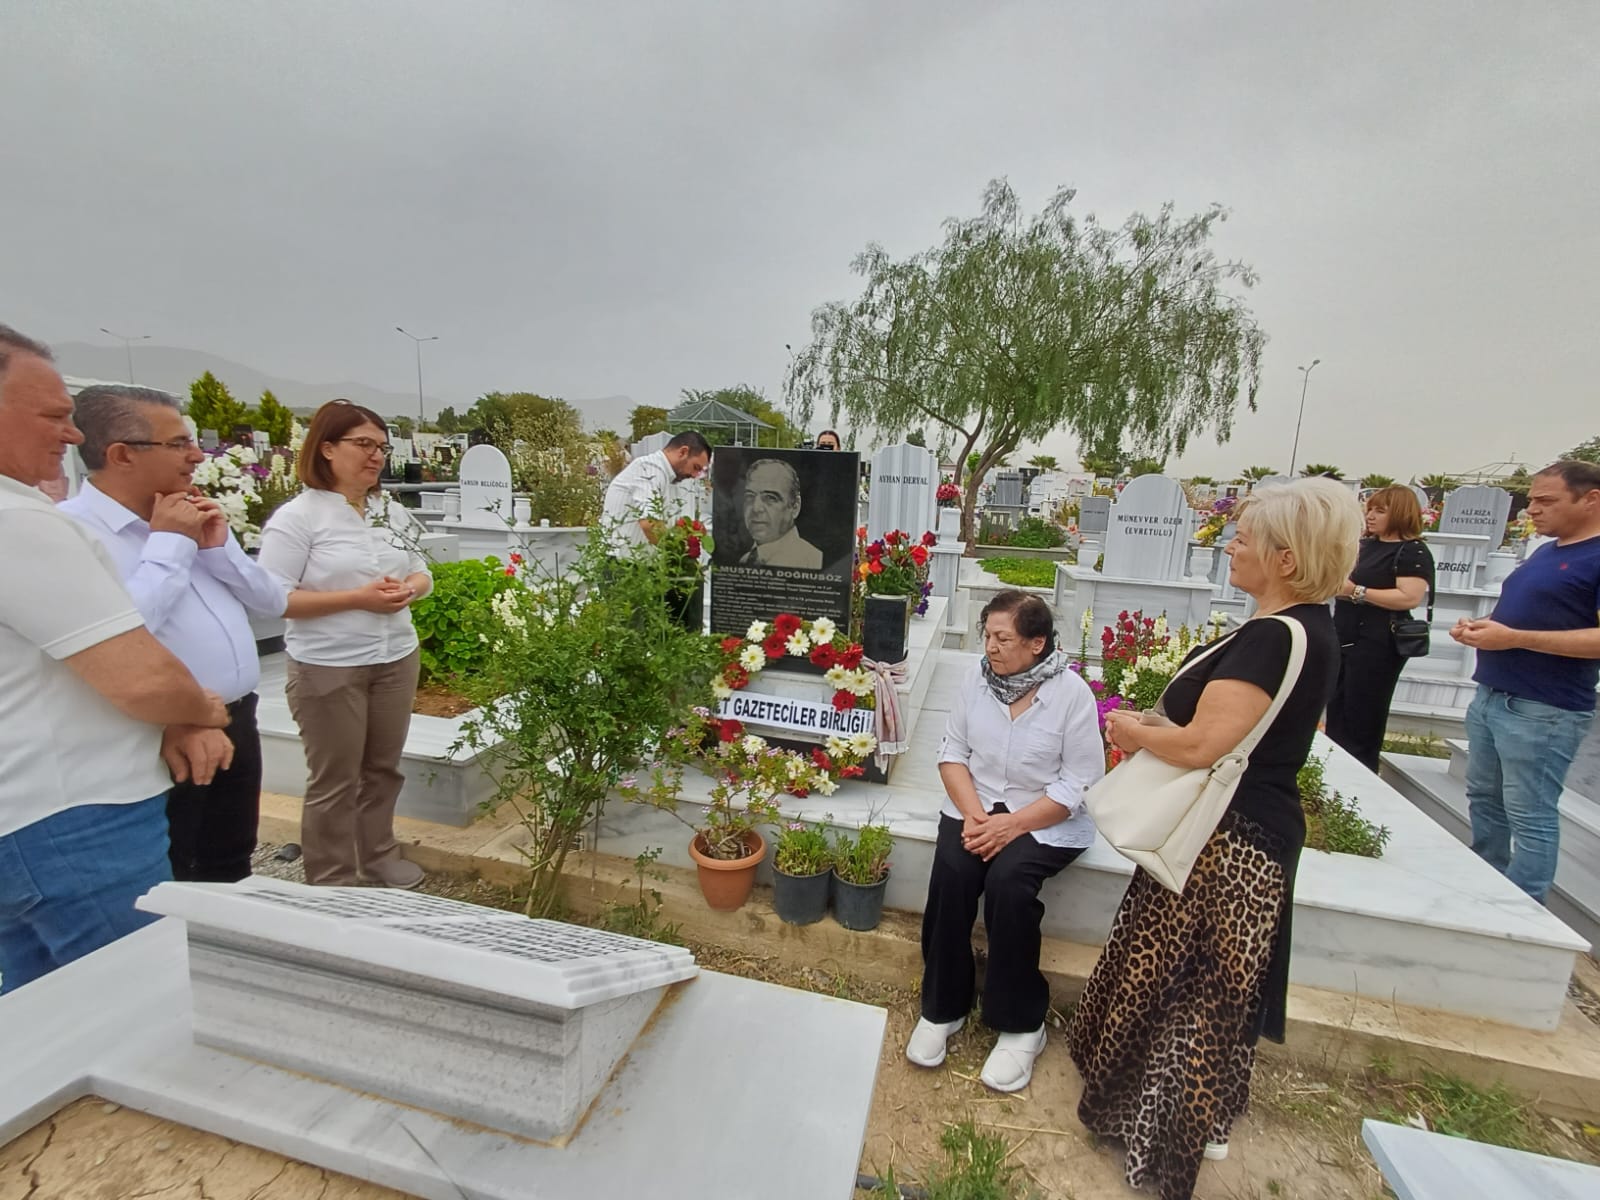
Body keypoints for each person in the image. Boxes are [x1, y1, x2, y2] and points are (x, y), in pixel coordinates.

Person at [1069, 478, 1359, 1200]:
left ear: (1286, 559)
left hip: (1225, 846)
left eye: (1244, 538)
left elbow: (1204, 746)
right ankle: (1179, 1115)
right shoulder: (1307, 626)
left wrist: (1132, 730)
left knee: (1188, 993)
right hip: (1244, 832)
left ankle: (1158, 1138)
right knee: (1203, 986)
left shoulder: (1272, 638)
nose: (1230, 546)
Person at [0, 325, 231, 992]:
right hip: (76, 820)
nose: (73, 435)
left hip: (30, 817)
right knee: (141, 1003)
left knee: (49, 1013)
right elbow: (140, 677)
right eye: (53, 416)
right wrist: (201, 710)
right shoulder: (19, 521)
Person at [61, 385, 288, 882]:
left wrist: (217, 548)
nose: (196, 456)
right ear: (122, 455)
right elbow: (116, 634)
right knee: (171, 869)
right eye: (179, 443)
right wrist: (169, 544)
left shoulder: (190, 516)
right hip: (162, 732)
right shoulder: (73, 533)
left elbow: (272, 603)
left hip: (236, 716)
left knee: (230, 860)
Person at [906, 590, 1105, 1093]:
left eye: (1003, 638)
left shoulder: (1071, 694)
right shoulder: (975, 680)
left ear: (1037, 643)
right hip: (976, 805)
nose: (991, 647)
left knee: (1009, 884)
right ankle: (943, 1007)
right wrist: (976, 817)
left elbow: (1079, 783)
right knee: (953, 872)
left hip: (1044, 816)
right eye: (987, 636)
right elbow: (952, 752)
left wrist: (1011, 826)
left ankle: (1021, 1024)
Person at [258, 400, 433, 889]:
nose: (376, 456)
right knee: (335, 778)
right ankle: (332, 877)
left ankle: (378, 856)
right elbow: (274, 599)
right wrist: (358, 598)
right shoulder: (299, 518)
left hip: (395, 658)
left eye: (382, 447)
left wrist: (409, 590)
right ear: (327, 448)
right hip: (328, 665)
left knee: (383, 769)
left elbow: (422, 571)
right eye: (363, 444)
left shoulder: (388, 511)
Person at [1453, 460, 1600, 904]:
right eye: (1532, 499)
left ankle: (1522, 909)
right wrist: (1483, 627)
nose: (1531, 509)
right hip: (1494, 695)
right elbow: (1530, 615)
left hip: (1544, 708)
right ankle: (1485, 888)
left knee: (1529, 814)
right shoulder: (1547, 551)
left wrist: (1514, 638)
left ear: (1591, 499)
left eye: (1546, 500)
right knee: (1485, 799)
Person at [1324, 485, 1434, 770]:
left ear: (1399, 513)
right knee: (1337, 710)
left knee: (1362, 715)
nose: (1370, 516)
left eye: (1380, 511)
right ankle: (1334, 769)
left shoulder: (1411, 551)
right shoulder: (1363, 545)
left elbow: (1408, 597)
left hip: (1377, 643)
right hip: (1345, 634)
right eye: (1370, 509)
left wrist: (1356, 592)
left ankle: (1359, 773)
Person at [600, 431, 712, 553]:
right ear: (683, 452)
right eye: (696, 467)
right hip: (620, 561)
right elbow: (650, 523)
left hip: (635, 560)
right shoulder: (650, 468)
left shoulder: (666, 476)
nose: (695, 475)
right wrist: (677, 553)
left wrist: (688, 531)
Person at [739, 458, 823, 568]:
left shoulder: (813, 561)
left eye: (770, 498)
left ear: (795, 507)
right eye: (750, 496)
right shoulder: (745, 560)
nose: (756, 508)